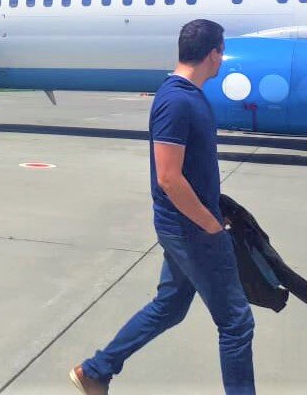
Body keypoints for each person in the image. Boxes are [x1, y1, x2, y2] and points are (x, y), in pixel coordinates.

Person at [71, 20, 255, 395]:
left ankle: (96, 371)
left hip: (190, 225)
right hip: (191, 230)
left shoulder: (189, 95)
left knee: (170, 306)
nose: (223, 59)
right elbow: (169, 178)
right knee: (236, 324)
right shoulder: (177, 100)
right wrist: (210, 225)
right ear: (213, 53)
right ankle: (96, 370)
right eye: (222, 52)